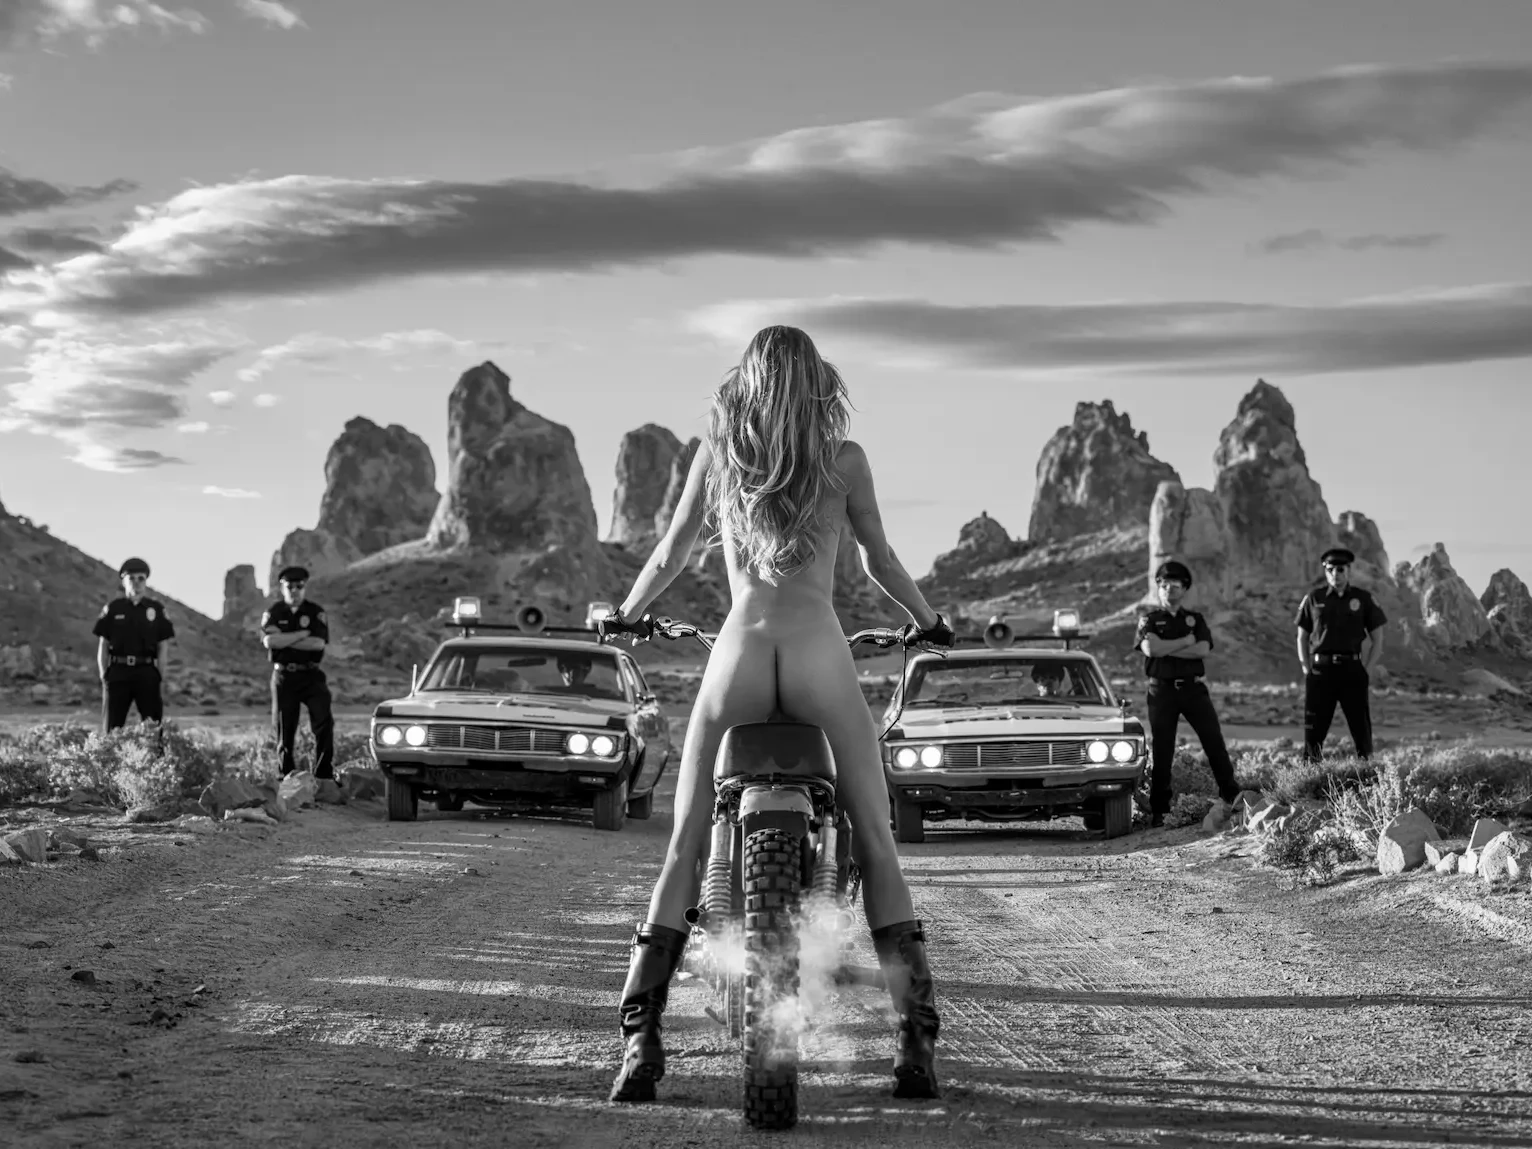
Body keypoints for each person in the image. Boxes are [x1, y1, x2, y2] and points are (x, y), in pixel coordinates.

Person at [597, 325, 954, 1105]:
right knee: (879, 842)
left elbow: (669, 555)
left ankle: (640, 1042)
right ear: (818, 380)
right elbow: (881, 562)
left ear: (748, 381)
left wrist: (624, 614)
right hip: (821, 652)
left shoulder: (720, 453)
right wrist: (929, 622)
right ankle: (916, 1046)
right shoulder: (844, 460)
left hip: (742, 653)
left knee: (686, 843)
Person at [1136, 561, 1239, 828]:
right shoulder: (1149, 619)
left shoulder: (1196, 619)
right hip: (1161, 690)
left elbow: (1202, 649)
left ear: (1185, 589)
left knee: (1214, 742)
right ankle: (1159, 809)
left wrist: (1167, 647)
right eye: (1164, 585)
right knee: (1162, 749)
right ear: (1158, 588)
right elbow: (1151, 649)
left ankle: (1232, 796)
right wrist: (1185, 642)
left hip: (1193, 689)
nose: (1170, 589)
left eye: (1176, 585)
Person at [1296, 547, 1387, 763]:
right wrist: (1307, 669)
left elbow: (1378, 640)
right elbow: (1301, 637)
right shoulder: (1313, 598)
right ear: (1325, 571)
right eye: (1330, 570)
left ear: (1348, 571)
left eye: (1340, 569)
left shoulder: (1363, 599)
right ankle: (1309, 775)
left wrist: (1366, 669)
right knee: (1314, 728)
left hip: (1351, 670)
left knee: (1360, 727)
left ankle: (1366, 774)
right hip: (1321, 671)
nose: (1335, 574)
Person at [259, 566, 335, 779]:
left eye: (299, 586)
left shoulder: (315, 612)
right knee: (285, 727)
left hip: (311, 675)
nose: (294, 590)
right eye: (289, 586)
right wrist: (302, 634)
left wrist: (286, 639)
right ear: (282, 587)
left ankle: (323, 775)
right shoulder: (273, 612)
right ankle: (286, 775)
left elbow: (318, 644)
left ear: (305, 587)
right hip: (284, 676)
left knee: (323, 722)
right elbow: (270, 641)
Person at [93, 557, 176, 732]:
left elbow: (163, 646)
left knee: (153, 729)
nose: (136, 583)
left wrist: (158, 676)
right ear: (124, 582)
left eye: (141, 578)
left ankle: (155, 760)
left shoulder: (156, 609)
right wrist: (104, 675)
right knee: (112, 728)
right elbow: (103, 643)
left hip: (146, 672)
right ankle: (109, 759)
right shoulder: (113, 609)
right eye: (131, 578)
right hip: (118, 671)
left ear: (146, 582)